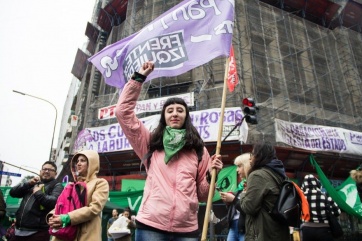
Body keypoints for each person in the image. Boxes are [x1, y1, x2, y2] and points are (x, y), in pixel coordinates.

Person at [115, 61, 223, 241]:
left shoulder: (199, 151)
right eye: (170, 110)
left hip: (187, 230)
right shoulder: (150, 143)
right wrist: (139, 78)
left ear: (186, 117)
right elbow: (122, 112)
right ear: (164, 117)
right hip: (151, 226)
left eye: (180, 110)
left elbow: (203, 195)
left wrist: (212, 176)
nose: (175, 114)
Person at [47, 150, 109, 241]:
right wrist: (52, 217)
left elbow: (95, 208)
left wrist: (67, 218)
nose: (78, 164)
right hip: (63, 235)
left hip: (87, 236)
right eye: (77, 161)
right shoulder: (71, 185)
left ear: (92, 163)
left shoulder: (100, 183)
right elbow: (60, 205)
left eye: (83, 160)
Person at [239, 141, 290, 241]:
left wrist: (243, 194)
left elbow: (249, 207)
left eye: (252, 154)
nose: (250, 158)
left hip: (263, 234)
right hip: (279, 232)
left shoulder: (258, 175)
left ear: (259, 155)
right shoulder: (280, 174)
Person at [9, 161, 63, 241]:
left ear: (55, 173)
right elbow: (13, 192)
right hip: (18, 231)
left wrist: (38, 193)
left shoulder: (57, 186)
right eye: (44, 169)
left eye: (50, 170)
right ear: (40, 171)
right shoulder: (33, 183)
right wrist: (28, 184)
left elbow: (53, 202)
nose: (46, 171)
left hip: (38, 233)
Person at [219, 153, 251, 241]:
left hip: (245, 227)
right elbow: (237, 206)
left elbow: (249, 208)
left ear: (246, 165)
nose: (237, 170)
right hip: (233, 225)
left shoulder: (253, 185)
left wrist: (233, 199)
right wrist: (228, 201)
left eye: (239, 166)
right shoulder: (242, 185)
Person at [300, 174, 341, 241]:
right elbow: (337, 212)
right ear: (317, 183)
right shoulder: (325, 196)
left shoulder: (301, 198)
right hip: (324, 230)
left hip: (307, 230)